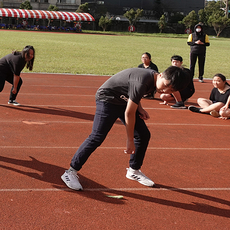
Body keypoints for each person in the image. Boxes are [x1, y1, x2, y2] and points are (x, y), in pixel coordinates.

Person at [61, 65, 191, 191]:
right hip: (107, 98)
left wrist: (140, 108)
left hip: (123, 100)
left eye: (171, 90)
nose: (166, 90)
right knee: (97, 137)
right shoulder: (143, 80)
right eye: (166, 85)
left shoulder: (154, 80)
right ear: (161, 74)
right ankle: (70, 172)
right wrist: (129, 140)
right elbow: (129, 112)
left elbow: (133, 93)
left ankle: (133, 170)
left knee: (143, 134)